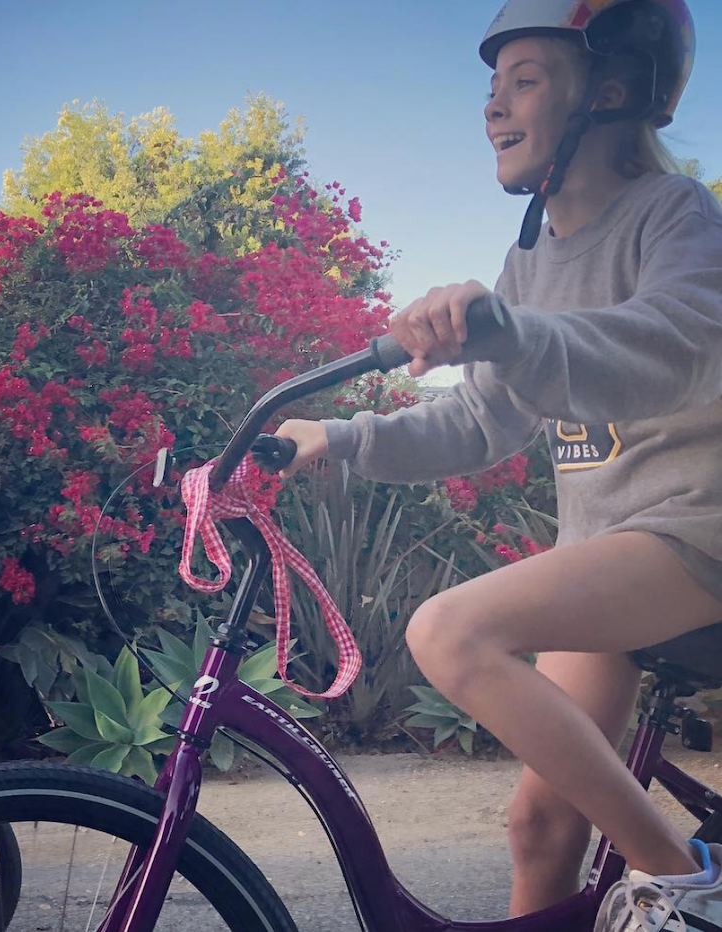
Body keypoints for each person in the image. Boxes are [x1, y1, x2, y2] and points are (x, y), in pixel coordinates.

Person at [277, 0, 722, 928]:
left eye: (526, 81)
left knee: (451, 632)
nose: (493, 106)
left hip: (696, 533)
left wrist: (512, 334)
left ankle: (686, 882)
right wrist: (341, 437)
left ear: (609, 92)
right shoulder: (531, 265)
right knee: (539, 827)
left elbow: (672, 348)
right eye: (492, 86)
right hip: (608, 551)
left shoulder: (674, 213)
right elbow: (483, 420)